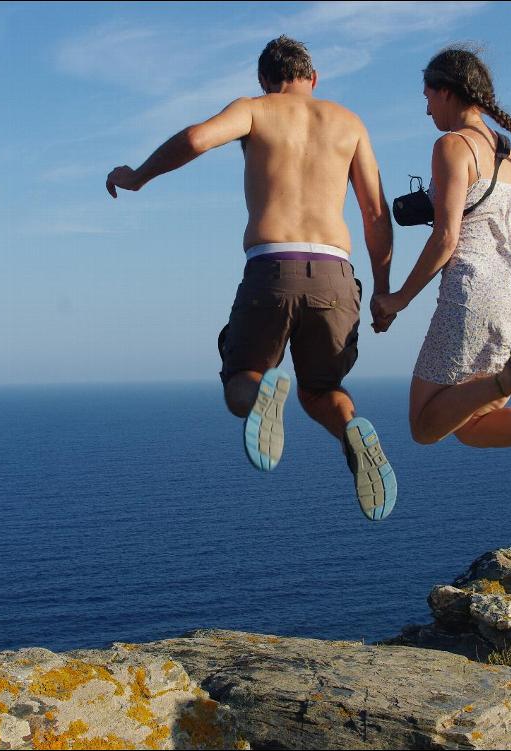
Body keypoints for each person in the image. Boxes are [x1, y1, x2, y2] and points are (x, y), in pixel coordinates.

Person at [106, 36, 398, 520]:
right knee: (322, 390)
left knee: (241, 382)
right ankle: (351, 429)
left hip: (271, 268)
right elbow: (374, 213)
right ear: (314, 78)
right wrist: (384, 291)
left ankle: (260, 391)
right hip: (335, 273)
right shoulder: (349, 123)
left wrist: (137, 176)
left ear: (265, 80)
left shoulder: (256, 109)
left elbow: (197, 139)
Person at [372, 45, 511, 504]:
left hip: (474, 297)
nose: (426, 108)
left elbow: (446, 239)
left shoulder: (452, 146)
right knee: (469, 427)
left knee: (423, 425)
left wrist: (398, 299)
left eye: (428, 97)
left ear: (446, 91)